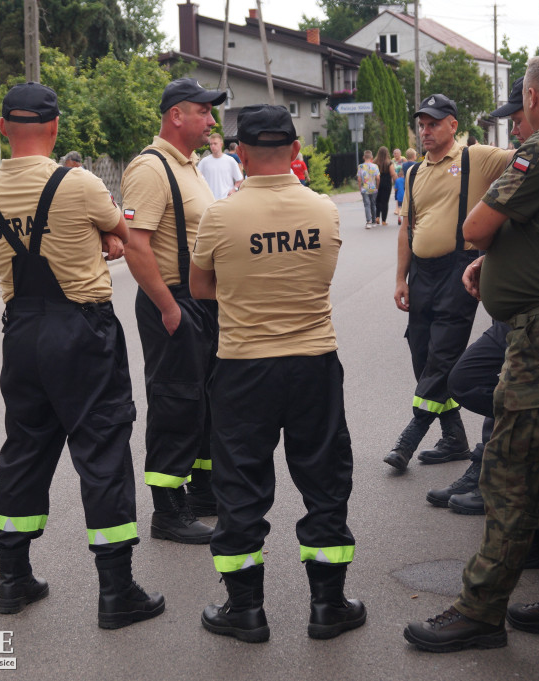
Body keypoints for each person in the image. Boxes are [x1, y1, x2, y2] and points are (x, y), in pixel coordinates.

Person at [404, 52, 539, 653]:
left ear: (531, 97)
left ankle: (479, 611)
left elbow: (475, 225)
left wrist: (486, 252)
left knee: (511, 471)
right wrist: (495, 266)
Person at [0, 81, 163, 627]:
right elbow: (119, 235)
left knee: (25, 448)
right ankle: (116, 590)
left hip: (22, 332)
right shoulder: (77, 182)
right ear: (55, 128)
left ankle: (13, 579)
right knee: (102, 446)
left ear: (5, 129)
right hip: (81, 329)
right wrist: (105, 240)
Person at [191, 104, 364, 644]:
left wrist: (246, 292)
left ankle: (245, 610)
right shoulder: (324, 210)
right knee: (324, 479)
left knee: (239, 485)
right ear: (296, 152)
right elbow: (320, 278)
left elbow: (200, 289)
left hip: (244, 366)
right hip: (314, 363)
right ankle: (328, 606)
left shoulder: (219, 215)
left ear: (240, 153)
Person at [422, 76, 539, 567]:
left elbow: (477, 226)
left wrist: (483, 252)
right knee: (474, 381)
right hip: (514, 311)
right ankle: (489, 470)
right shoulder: (535, 151)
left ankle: (494, 476)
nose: (513, 130)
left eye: (515, 119)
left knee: (501, 393)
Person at [120, 78, 227, 544]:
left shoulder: (191, 165)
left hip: (198, 302)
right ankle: (168, 510)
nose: (211, 120)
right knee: (175, 401)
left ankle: (203, 490)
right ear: (176, 115)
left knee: (203, 400)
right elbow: (135, 245)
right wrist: (167, 307)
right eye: (203, 111)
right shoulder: (150, 168)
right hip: (173, 301)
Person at [384, 94, 511, 471]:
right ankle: (454, 437)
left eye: (433, 123)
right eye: (421, 124)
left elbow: (531, 158)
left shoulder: (476, 158)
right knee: (422, 354)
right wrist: (400, 279)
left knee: (442, 357)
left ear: (452, 125)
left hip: (461, 269)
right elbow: (407, 228)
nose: (425, 130)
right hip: (422, 274)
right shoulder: (413, 171)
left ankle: (411, 435)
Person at [197, 132, 243, 199]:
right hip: (209, 200)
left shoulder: (230, 160)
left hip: (226, 200)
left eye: (215, 143)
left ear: (221, 144)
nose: (212, 146)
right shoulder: (204, 162)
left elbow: (239, 179)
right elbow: (197, 178)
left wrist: (234, 189)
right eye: (211, 144)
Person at [374, 146, 396, 226]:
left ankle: (377, 217)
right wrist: (397, 181)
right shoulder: (389, 163)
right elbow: (393, 174)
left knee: (377, 201)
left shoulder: (375, 162)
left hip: (377, 183)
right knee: (385, 202)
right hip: (386, 183)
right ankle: (383, 220)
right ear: (387, 153)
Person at [356, 150, 379, 229]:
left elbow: (359, 179)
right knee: (373, 204)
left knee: (367, 205)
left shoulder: (360, 166)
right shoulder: (375, 166)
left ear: (363, 157)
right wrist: (377, 187)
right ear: (372, 157)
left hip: (365, 189)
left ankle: (368, 222)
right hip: (373, 188)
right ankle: (374, 221)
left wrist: (360, 188)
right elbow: (378, 177)